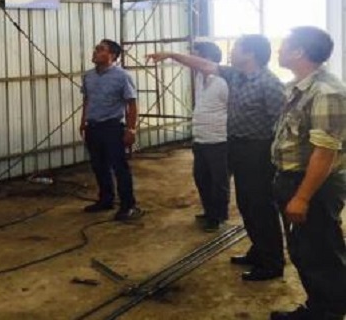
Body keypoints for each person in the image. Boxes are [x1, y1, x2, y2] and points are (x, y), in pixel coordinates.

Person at [148, 34, 285, 281]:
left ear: (250, 53)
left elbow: (282, 124)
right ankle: (258, 250)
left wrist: (277, 160)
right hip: (237, 146)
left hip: (259, 151)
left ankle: (272, 263)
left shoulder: (270, 83)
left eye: (237, 48)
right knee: (246, 204)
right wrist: (171, 55)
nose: (231, 52)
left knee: (261, 206)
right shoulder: (235, 75)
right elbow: (203, 64)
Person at [269, 27, 346, 320]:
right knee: (304, 251)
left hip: (314, 186)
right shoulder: (299, 87)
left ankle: (329, 313)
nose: (279, 49)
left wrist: (302, 197)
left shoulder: (326, 92)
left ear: (299, 51)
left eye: (285, 44)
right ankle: (319, 307)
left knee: (321, 252)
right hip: (293, 180)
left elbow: (324, 153)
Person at [80, 39, 142, 221]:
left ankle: (128, 205)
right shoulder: (88, 76)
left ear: (112, 55)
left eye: (101, 49)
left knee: (119, 167)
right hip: (93, 127)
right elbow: (87, 100)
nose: (95, 52)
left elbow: (132, 104)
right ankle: (106, 199)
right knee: (99, 166)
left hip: (112, 127)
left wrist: (131, 129)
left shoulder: (122, 76)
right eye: (96, 49)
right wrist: (83, 122)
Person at [190, 41, 230, 232]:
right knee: (201, 178)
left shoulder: (223, 82)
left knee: (218, 181)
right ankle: (209, 211)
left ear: (208, 59)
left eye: (195, 56)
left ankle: (218, 217)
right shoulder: (199, 77)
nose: (191, 60)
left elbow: (232, 109)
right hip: (200, 138)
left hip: (219, 140)